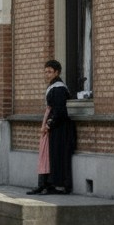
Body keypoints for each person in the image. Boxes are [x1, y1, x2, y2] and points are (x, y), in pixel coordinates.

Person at [27, 59, 76, 195]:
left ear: (57, 72)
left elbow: (60, 111)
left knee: (54, 155)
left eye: (49, 72)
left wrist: (49, 124)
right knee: (46, 154)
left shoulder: (59, 88)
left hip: (58, 128)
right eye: (45, 72)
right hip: (52, 126)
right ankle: (44, 184)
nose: (46, 74)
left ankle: (54, 184)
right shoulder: (53, 87)